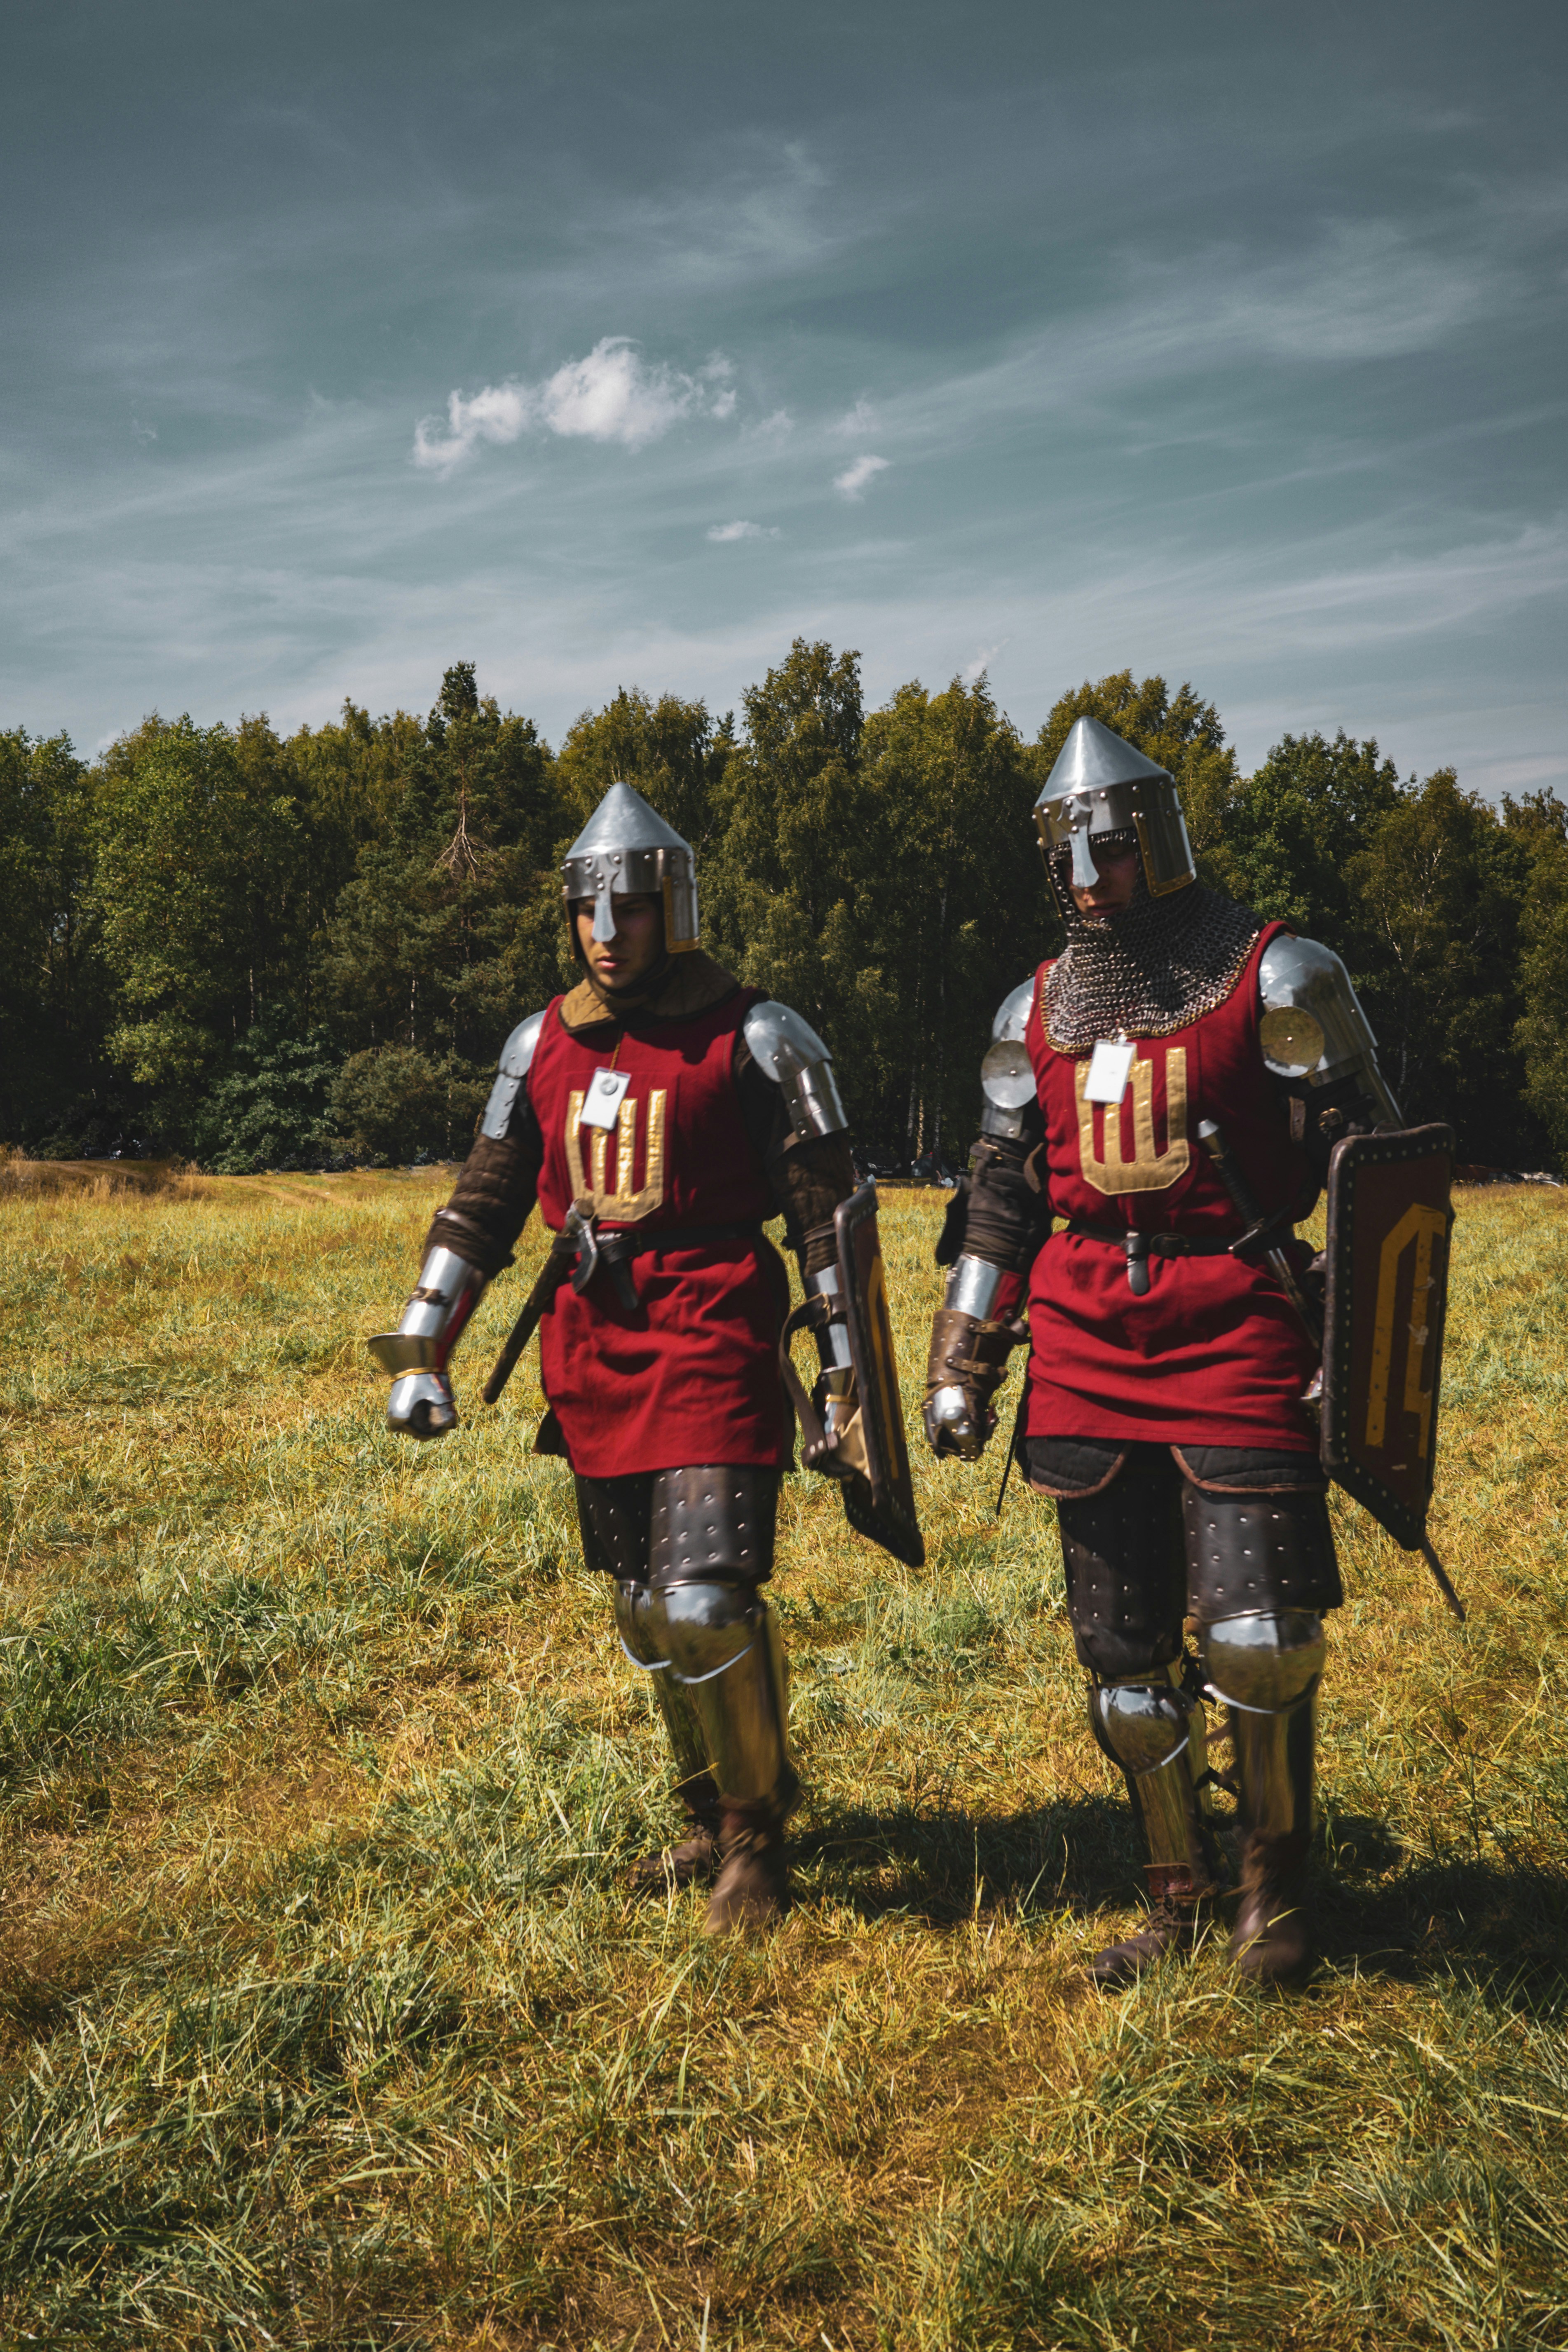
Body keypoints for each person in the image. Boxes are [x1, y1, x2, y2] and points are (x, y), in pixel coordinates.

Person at [924, 717, 1404, 1987]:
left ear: (1159, 840)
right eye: (1070, 859)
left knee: (1259, 1635)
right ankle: (1177, 1890)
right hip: (1085, 1338)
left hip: (1236, 1324)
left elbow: (1376, 1169)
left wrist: (1353, 1359)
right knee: (1127, 1667)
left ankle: (1275, 1891)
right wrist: (962, 1352)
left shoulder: (1277, 973)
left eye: (1111, 850)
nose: (1091, 879)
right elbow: (1000, 1196)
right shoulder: (1038, 1007)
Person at [368, 782, 873, 1933]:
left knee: (704, 1602)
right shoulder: (540, 1043)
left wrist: (847, 1381)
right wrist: (423, 1344)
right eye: (589, 910)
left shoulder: (754, 1033)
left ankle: (756, 1835)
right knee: (645, 1613)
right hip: (592, 1348)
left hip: (710, 1334)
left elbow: (826, 1214)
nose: (607, 931)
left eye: (630, 908)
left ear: (672, 909)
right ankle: (703, 1806)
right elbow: (485, 1205)